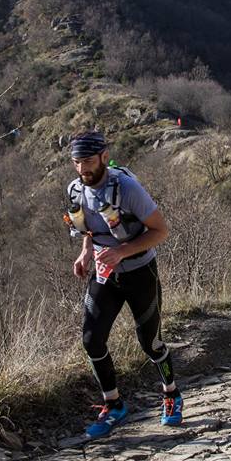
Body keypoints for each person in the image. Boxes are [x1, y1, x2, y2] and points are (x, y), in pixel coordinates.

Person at [64, 131, 183, 438]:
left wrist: (122, 252)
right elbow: (89, 230)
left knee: (150, 342)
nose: (82, 169)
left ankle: (171, 395)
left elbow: (160, 230)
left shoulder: (127, 188)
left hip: (141, 271)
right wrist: (85, 254)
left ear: (104, 156)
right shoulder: (76, 191)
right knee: (92, 339)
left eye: (88, 161)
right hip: (106, 273)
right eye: (77, 162)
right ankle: (113, 405)